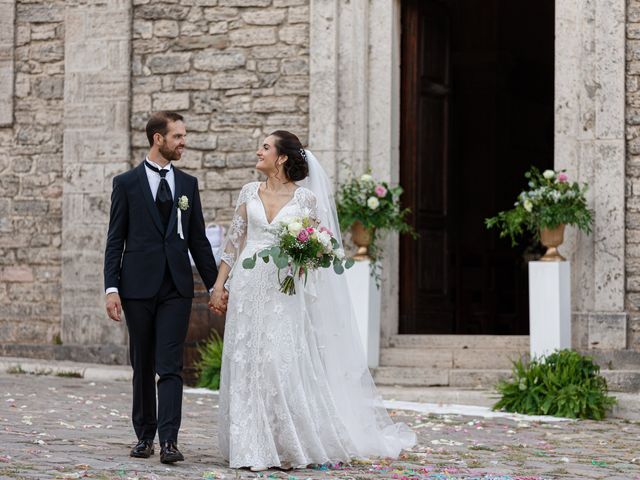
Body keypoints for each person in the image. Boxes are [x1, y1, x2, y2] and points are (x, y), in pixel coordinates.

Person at [209, 130, 416, 471]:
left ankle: (287, 441)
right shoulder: (248, 192)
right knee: (247, 361)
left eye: (265, 147)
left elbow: (322, 248)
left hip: (284, 289)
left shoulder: (305, 200)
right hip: (248, 287)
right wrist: (219, 286)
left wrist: (304, 256)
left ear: (282, 157)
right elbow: (234, 243)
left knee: (279, 362)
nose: (258, 152)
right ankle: (251, 445)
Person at [104, 111, 223, 464]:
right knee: (142, 363)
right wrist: (112, 288)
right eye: (178, 136)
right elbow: (115, 241)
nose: (183, 142)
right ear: (159, 138)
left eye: (183, 136)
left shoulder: (188, 185)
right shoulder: (125, 183)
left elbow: (199, 241)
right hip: (137, 287)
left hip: (176, 287)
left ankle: (170, 440)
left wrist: (218, 284)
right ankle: (145, 437)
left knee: (170, 364)